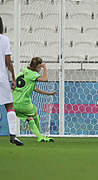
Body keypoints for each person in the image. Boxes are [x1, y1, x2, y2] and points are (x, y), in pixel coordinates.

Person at [13, 57, 56, 142]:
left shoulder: (24, 71)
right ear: (38, 66)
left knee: (30, 118)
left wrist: (48, 93)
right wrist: (45, 68)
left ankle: (40, 136)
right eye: (40, 67)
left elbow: (34, 88)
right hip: (23, 102)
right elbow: (45, 79)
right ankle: (41, 137)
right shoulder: (33, 74)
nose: (40, 69)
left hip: (14, 102)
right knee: (35, 113)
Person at [0, 16, 24, 146]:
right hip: (2, 78)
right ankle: (13, 135)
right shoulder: (4, 40)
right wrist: (14, 79)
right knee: (9, 105)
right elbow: (8, 61)